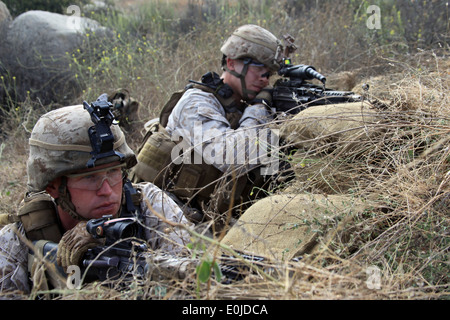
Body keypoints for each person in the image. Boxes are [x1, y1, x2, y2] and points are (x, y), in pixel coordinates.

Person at [0, 99, 192, 297]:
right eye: (90, 178)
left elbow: (190, 277)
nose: (107, 190)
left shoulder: (150, 204)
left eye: (114, 172)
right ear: (53, 187)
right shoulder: (19, 239)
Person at [132, 24, 287, 227]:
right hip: (171, 217)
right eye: (258, 68)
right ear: (231, 63)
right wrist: (259, 109)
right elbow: (232, 158)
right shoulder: (197, 103)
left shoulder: (244, 105)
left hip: (217, 217)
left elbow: (271, 175)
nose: (265, 79)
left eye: (270, 73)